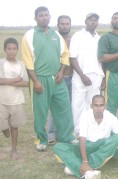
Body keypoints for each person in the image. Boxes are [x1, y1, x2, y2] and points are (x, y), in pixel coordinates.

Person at [22, 6, 76, 151]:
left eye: (46, 15)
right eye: (41, 15)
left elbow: (65, 54)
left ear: (50, 16)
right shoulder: (29, 35)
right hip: (39, 79)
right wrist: (36, 81)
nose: (44, 18)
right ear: (36, 18)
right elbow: (27, 61)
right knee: (40, 111)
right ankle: (41, 140)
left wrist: (61, 71)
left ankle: (67, 136)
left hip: (57, 78)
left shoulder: (56, 35)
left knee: (64, 108)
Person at [53, 95, 118, 178]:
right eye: (96, 105)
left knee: (116, 138)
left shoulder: (110, 117)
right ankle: (85, 170)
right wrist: (84, 161)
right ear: (91, 106)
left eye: (101, 105)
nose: (98, 108)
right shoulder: (85, 115)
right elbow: (82, 139)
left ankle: (79, 167)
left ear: (105, 106)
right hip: (87, 146)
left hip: (103, 147)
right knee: (58, 147)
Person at [70, 13, 104, 136]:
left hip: (96, 76)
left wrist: (103, 77)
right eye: (91, 20)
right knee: (77, 105)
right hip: (81, 76)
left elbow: (102, 59)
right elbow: (72, 58)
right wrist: (82, 76)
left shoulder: (100, 38)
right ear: (86, 21)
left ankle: (91, 129)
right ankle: (77, 131)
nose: (93, 22)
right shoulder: (77, 36)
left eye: (96, 20)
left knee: (93, 104)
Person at [0, 38, 28, 160]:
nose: (11, 51)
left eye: (14, 49)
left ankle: (14, 150)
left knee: (14, 127)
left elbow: (26, 83)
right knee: (4, 127)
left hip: (17, 101)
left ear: (17, 50)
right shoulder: (1, 63)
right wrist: (15, 80)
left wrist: (9, 82)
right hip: (2, 101)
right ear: (4, 50)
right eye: (9, 49)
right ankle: (5, 130)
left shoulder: (21, 65)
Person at [47, 15, 73, 145]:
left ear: (70, 25)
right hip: (57, 78)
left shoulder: (73, 39)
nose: (64, 26)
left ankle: (67, 133)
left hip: (72, 77)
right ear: (58, 25)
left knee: (69, 107)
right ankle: (51, 134)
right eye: (62, 23)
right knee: (55, 107)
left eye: (67, 23)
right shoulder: (53, 38)